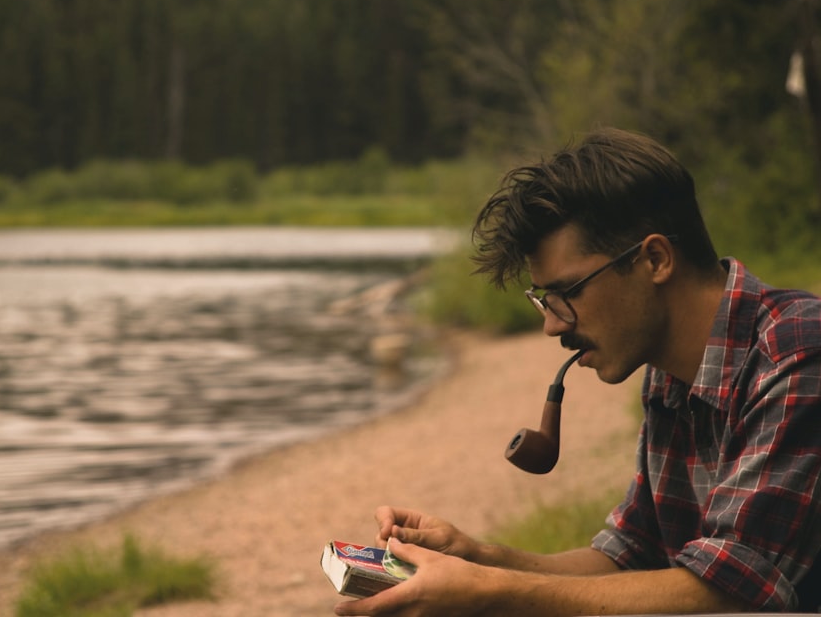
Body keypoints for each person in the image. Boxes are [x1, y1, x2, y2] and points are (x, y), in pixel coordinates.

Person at [335, 128, 821, 616]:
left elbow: (731, 591)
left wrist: (488, 591)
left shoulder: (797, 357)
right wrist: (479, 559)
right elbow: (628, 557)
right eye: (544, 299)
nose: (551, 325)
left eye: (569, 292)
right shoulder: (670, 376)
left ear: (655, 259)